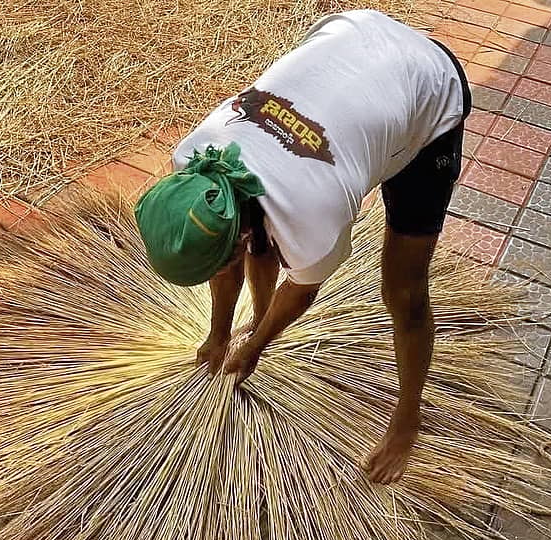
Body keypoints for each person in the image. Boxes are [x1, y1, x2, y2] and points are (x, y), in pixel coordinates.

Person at [133, 9, 472, 484]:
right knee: (261, 234)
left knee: (404, 289)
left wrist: (255, 347)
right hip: (351, 41)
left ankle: (407, 419)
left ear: (236, 243)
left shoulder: (312, 220)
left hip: (426, 87)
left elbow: (299, 290)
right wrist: (219, 334)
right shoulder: (194, 156)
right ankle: (252, 320)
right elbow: (237, 254)